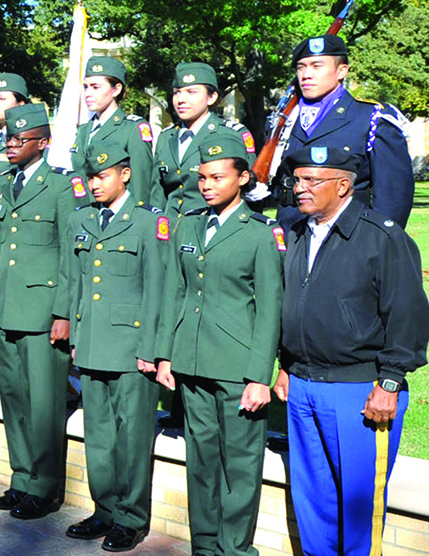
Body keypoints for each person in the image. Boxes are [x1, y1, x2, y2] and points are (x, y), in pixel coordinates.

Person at [277, 145, 429, 556]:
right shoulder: (296, 232)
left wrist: (390, 382)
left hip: (359, 391)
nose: (300, 189)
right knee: (314, 504)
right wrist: (286, 364)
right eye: (297, 180)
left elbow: (408, 316)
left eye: (312, 180)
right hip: (303, 387)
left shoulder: (383, 237)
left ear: (343, 185)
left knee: (359, 510)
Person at [155, 140, 284, 556]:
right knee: (202, 463)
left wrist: (258, 377)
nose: (207, 186)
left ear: (243, 178)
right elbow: (175, 291)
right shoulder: (189, 224)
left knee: (241, 467)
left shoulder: (260, 234)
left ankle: (236, 549)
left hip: (236, 368)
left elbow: (269, 311)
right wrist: (166, 354)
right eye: (203, 178)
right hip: (192, 362)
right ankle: (205, 547)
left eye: (217, 177)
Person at [62, 142, 168, 552]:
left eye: (102, 176)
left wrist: (151, 348)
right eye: (90, 176)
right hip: (91, 344)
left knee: (133, 437)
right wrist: (75, 335)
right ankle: (103, 509)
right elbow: (77, 285)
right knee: (99, 435)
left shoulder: (147, 223)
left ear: (125, 175)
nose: (94, 184)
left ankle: (131, 517)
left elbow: (157, 291)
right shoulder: (81, 219)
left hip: (131, 349)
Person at [0, 103, 79, 519]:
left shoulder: (61, 186)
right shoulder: (3, 182)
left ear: (43, 143)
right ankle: (21, 478)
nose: (10, 145)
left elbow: (70, 255)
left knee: (43, 403)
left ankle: (45, 486)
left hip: (43, 310)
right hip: (6, 307)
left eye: (19, 140)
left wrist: (62, 312)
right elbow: (0, 245)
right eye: (7, 138)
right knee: (14, 398)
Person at [268, 35, 414, 231]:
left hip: (347, 237)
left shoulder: (372, 117)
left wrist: (378, 242)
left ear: (342, 71)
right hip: (289, 235)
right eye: (301, 67)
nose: (306, 74)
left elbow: (394, 195)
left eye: (317, 66)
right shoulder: (285, 120)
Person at [153, 63, 258, 217]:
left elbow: (250, 191)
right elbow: (157, 195)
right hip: (172, 231)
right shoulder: (166, 137)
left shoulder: (230, 134)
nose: (181, 99)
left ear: (211, 97)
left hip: (211, 229)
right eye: (177, 92)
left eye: (191, 92)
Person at [73, 56, 157, 204]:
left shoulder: (132, 129)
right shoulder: (84, 131)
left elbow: (140, 184)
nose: (88, 94)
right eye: (86, 87)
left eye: (96, 87)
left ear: (116, 89)